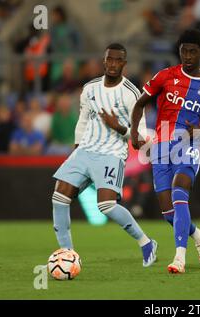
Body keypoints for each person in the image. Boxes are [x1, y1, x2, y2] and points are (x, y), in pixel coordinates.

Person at [51, 43, 158, 267]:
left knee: (106, 206)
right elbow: (82, 121)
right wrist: (77, 148)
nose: (112, 64)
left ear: (124, 64)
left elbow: (139, 139)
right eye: (109, 59)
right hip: (85, 150)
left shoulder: (133, 95)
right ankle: (67, 255)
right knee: (59, 197)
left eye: (118, 60)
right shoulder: (89, 88)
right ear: (104, 61)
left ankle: (146, 242)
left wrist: (118, 127)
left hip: (111, 153)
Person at [130, 29, 200, 274]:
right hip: (161, 144)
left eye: (193, 51)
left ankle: (179, 258)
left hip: (188, 143)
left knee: (180, 188)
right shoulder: (165, 76)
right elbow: (139, 104)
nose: (188, 55)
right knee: (168, 212)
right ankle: (198, 235)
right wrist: (134, 133)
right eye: (184, 50)